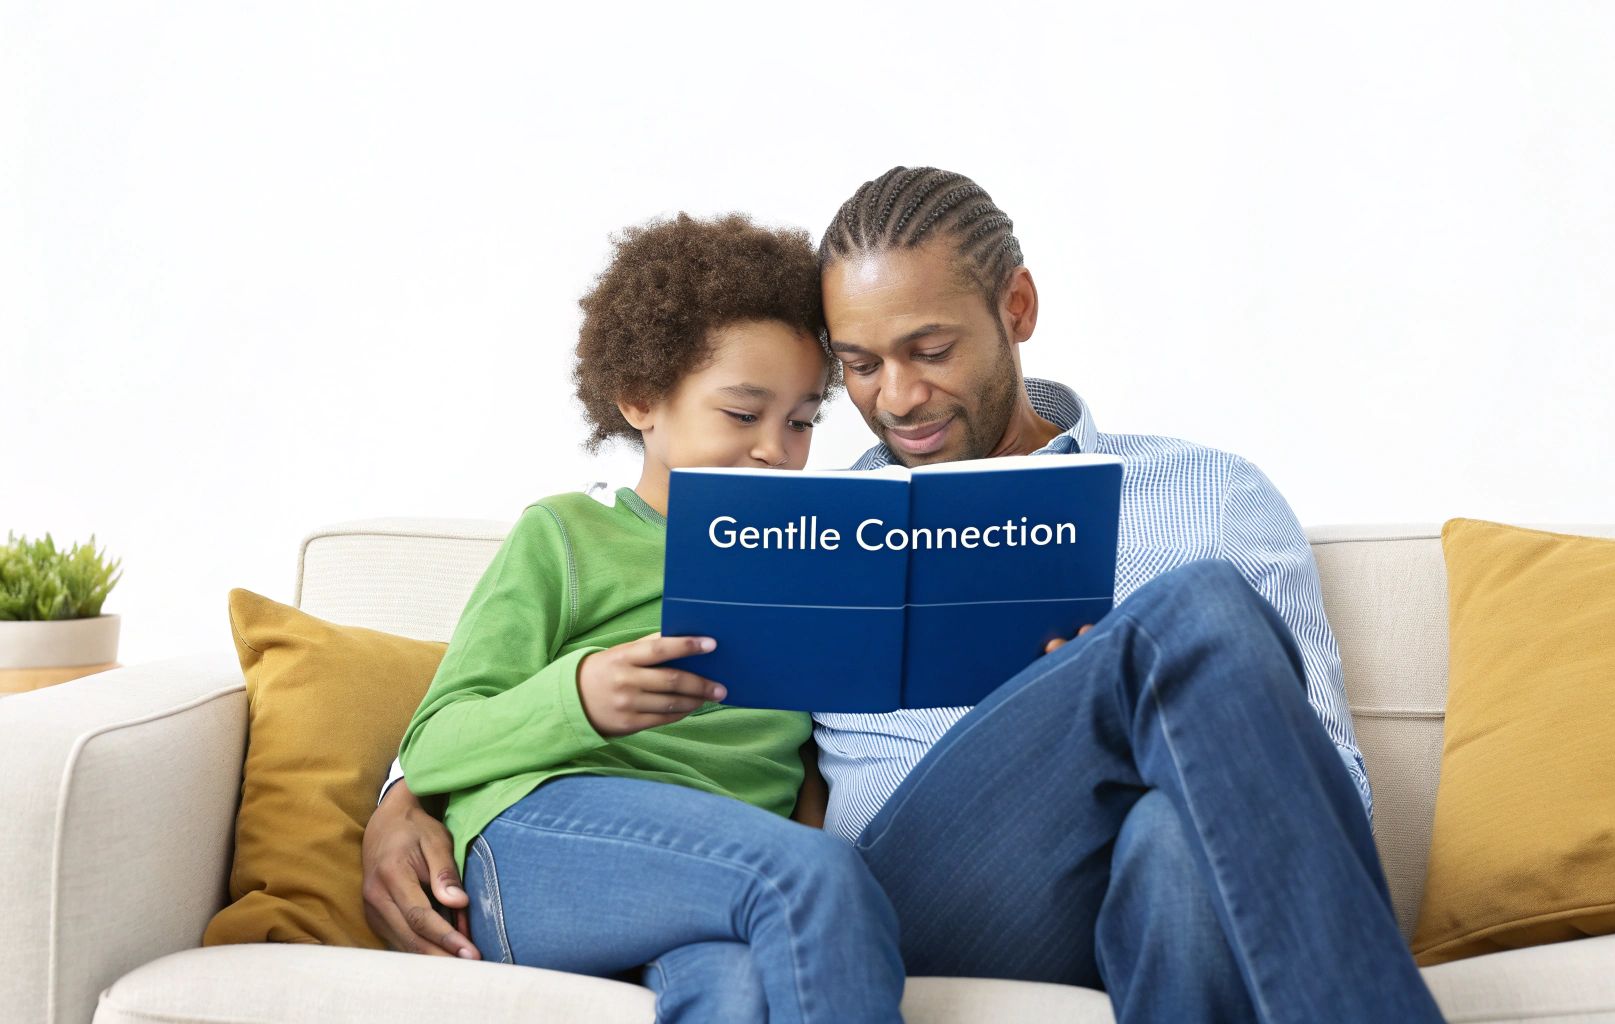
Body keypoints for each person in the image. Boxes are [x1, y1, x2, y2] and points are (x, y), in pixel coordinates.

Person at [368, 169, 1446, 1022]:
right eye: (862, 367)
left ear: (1015, 308)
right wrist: (406, 795)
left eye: (929, 350)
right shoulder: (800, 529)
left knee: (1179, 754)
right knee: (1186, 619)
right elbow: (503, 715)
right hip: (902, 893)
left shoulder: (1208, 492)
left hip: (1110, 883)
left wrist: (1079, 707)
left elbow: (1321, 798)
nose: (898, 398)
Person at [387, 212, 905, 1024]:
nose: (776, 448)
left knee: (739, 988)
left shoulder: (808, 562)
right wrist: (580, 696)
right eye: (743, 414)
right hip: (534, 848)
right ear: (641, 399)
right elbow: (433, 744)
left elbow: (809, 757)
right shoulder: (564, 535)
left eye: (801, 421)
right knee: (816, 875)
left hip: (711, 876)